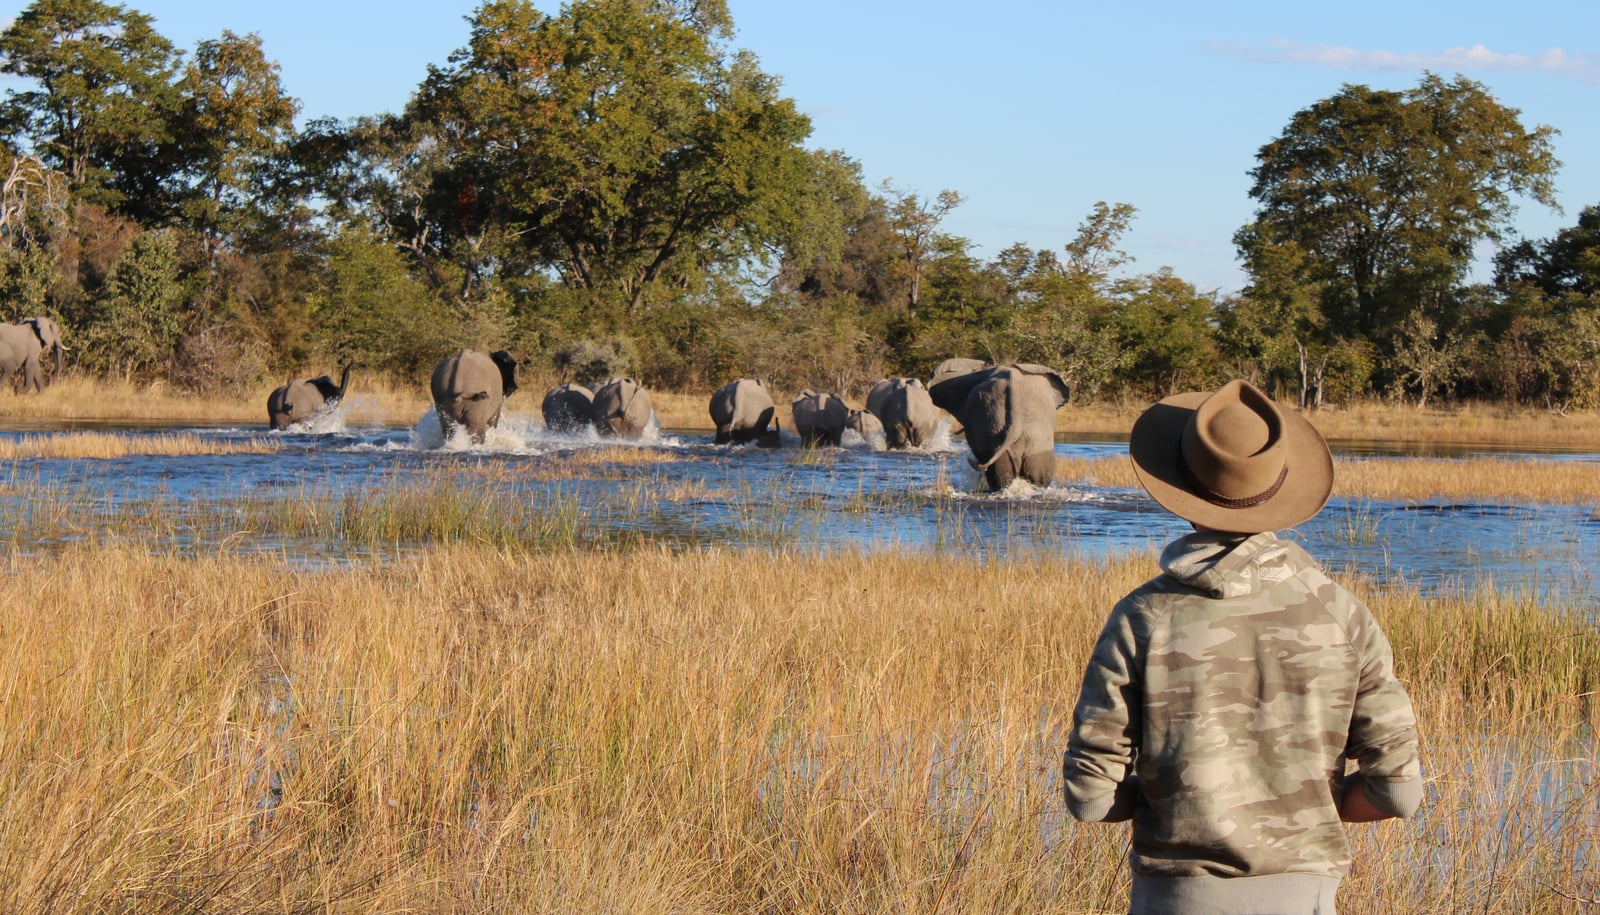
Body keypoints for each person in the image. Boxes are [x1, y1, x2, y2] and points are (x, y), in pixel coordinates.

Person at [1062, 380, 1422, 915]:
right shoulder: (1344, 616)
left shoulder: (1143, 617)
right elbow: (1399, 792)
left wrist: (1173, 803)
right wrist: (1306, 810)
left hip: (1173, 898)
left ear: (1182, 487)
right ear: (1279, 487)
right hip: (1307, 898)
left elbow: (1090, 798)